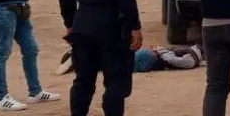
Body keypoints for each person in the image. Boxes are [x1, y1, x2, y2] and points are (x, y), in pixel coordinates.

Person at [58, 44, 203, 75]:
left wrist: (159, 50)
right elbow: (174, 60)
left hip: (149, 56)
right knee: (115, 64)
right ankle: (80, 58)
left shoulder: (187, 51)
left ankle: (82, 54)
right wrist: (161, 52)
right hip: (151, 60)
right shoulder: (190, 60)